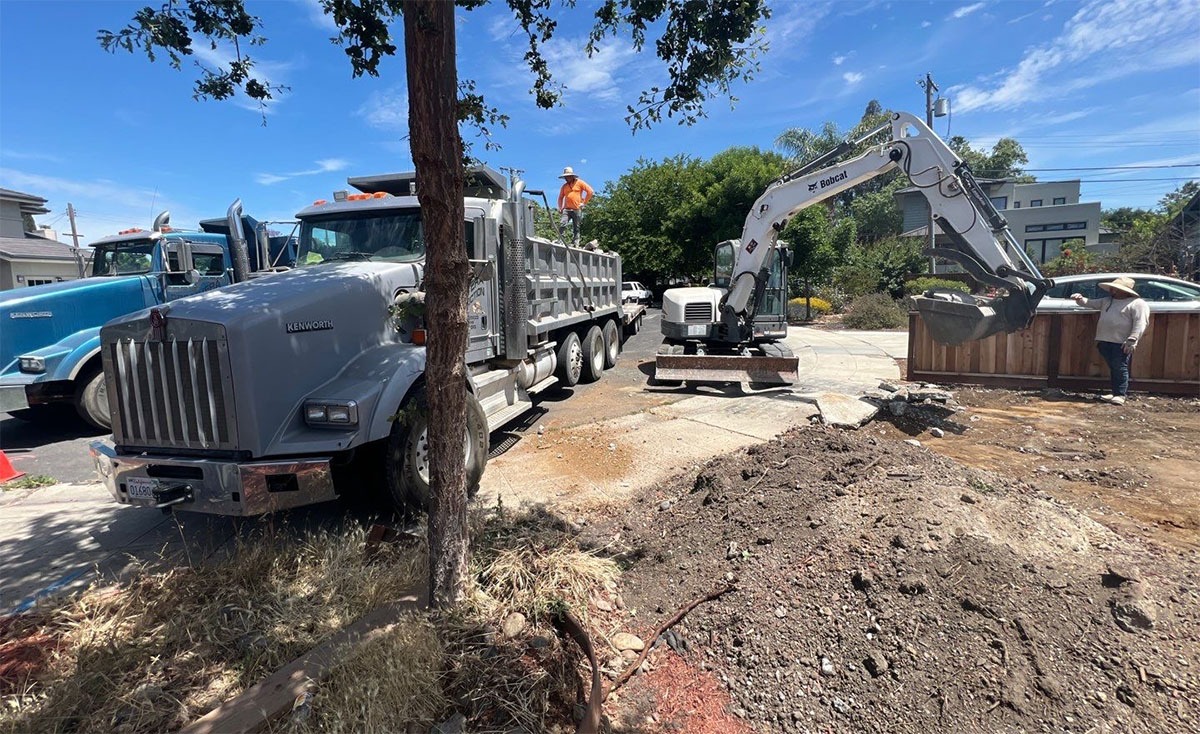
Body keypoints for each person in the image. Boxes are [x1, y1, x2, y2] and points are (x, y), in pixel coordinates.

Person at [1070, 276, 1149, 405]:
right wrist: (1079, 299)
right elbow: (1089, 303)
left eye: (1116, 288)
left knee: (1120, 367)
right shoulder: (1107, 301)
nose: (1112, 290)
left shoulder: (1138, 304)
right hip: (1104, 340)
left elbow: (1140, 323)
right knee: (1114, 367)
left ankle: (1120, 394)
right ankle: (1115, 392)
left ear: (1125, 291)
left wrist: (1132, 339)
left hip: (1122, 342)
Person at [556, 166, 593, 246]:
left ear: (572, 176)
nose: (566, 178)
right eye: (565, 177)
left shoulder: (580, 183)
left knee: (576, 227)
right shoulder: (564, 186)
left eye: (567, 176)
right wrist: (560, 207)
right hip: (567, 209)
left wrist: (584, 203)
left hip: (577, 209)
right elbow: (560, 198)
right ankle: (560, 240)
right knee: (562, 223)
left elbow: (590, 191)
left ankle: (576, 243)